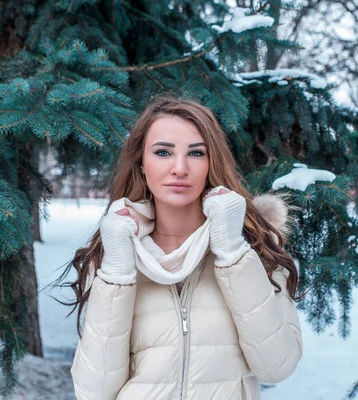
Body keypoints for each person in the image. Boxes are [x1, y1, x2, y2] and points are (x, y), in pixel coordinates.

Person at [67, 96, 302, 399]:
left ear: (211, 162)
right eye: (163, 152)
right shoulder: (111, 256)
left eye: (195, 153)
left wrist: (232, 251)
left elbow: (276, 367)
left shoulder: (255, 249)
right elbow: (94, 392)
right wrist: (118, 273)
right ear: (142, 162)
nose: (179, 168)